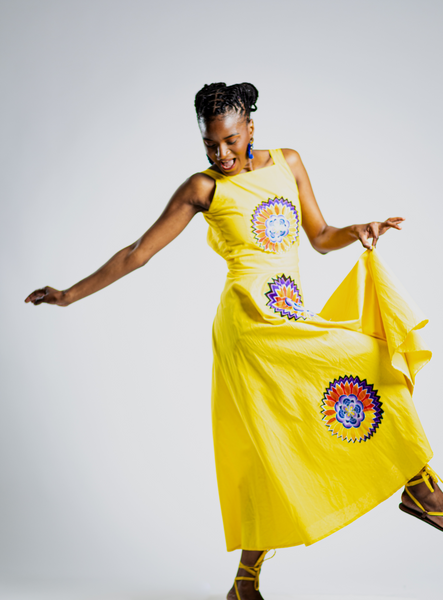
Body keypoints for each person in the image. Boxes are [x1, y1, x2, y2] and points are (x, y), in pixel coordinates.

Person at [25, 82, 443, 600]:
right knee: (336, 385)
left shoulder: (288, 162)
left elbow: (319, 236)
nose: (220, 154)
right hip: (247, 326)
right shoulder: (202, 188)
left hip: (289, 314)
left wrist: (358, 228)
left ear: (250, 129)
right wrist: (68, 295)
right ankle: (422, 488)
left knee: (280, 438)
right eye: (209, 145)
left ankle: (245, 583)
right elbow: (137, 253)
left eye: (229, 141)